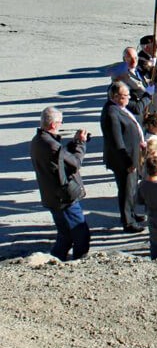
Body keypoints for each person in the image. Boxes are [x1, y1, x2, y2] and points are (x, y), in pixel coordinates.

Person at [30, 107, 91, 261]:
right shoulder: (51, 145)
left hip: (51, 196)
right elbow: (75, 163)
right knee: (81, 234)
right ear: (53, 125)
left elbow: (60, 158)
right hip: (64, 197)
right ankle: (78, 264)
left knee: (65, 235)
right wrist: (81, 144)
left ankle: (56, 260)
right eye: (60, 122)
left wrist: (72, 144)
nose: (61, 125)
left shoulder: (38, 140)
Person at [100, 81, 146, 232]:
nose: (128, 98)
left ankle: (132, 213)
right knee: (126, 190)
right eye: (125, 96)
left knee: (132, 188)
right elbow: (117, 141)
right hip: (123, 159)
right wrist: (128, 162)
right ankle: (128, 222)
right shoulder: (111, 113)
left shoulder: (119, 108)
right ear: (115, 96)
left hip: (132, 156)